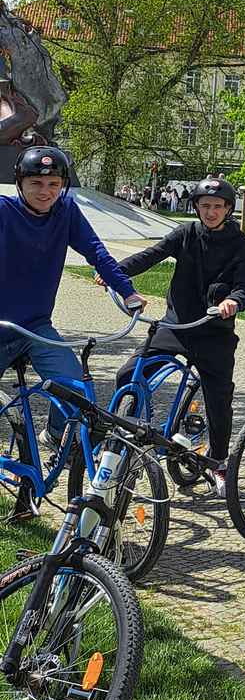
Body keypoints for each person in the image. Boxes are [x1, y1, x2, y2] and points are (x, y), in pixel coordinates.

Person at [0, 147, 145, 518]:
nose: (45, 191)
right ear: (20, 183)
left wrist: (127, 291)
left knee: (75, 390)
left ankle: (54, 436)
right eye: (36, 183)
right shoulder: (4, 212)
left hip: (34, 326)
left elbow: (96, 251)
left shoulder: (65, 212)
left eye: (53, 183)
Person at [115, 176, 245, 498]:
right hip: (175, 326)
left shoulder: (241, 244)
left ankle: (219, 462)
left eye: (218, 207)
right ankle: (123, 442)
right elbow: (152, 254)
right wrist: (116, 272)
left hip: (214, 333)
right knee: (128, 374)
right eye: (205, 206)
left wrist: (234, 302)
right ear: (196, 207)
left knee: (219, 398)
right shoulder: (186, 233)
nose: (211, 212)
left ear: (228, 209)